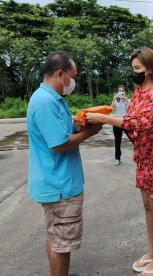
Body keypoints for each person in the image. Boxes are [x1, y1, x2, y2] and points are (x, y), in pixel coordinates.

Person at [86, 47, 153, 276]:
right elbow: (130, 118)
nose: (134, 73)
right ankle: (151, 252)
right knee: (148, 208)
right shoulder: (138, 92)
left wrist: (104, 118)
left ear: (149, 69)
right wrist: (107, 112)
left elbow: (141, 124)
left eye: (138, 68)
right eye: (133, 69)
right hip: (145, 157)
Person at [27, 51, 102, 276]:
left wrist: (80, 124)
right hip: (59, 186)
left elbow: (62, 129)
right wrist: (90, 133)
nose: (73, 82)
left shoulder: (52, 98)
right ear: (60, 74)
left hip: (55, 183)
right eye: (73, 76)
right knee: (63, 244)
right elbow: (59, 144)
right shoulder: (45, 102)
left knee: (56, 236)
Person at [111, 85, 130, 166]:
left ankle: (140, 156)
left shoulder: (128, 100)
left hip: (126, 121)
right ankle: (117, 158)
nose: (121, 92)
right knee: (117, 141)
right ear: (117, 92)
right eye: (120, 91)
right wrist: (113, 99)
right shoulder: (115, 100)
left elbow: (132, 109)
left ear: (125, 92)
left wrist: (127, 101)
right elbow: (110, 109)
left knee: (133, 138)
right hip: (116, 121)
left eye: (122, 91)